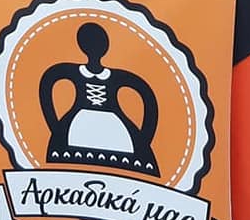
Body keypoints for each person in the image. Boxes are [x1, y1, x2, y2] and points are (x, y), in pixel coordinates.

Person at [39, 22, 160, 177]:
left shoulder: (116, 76)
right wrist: (57, 130)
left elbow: (148, 99)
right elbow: (47, 85)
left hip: (116, 128)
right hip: (77, 125)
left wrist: (142, 141)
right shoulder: (72, 71)